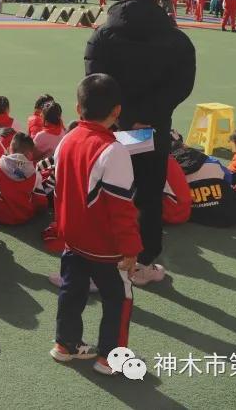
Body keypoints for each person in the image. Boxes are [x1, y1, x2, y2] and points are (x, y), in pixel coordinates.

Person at [84, 0, 196, 286]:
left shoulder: (104, 35)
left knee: (106, 193)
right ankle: (143, 264)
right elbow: (182, 86)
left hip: (112, 128)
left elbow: (94, 82)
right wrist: (147, 116)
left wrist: (125, 116)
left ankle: (100, 264)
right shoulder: (177, 38)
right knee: (147, 197)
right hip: (153, 129)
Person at [49, 74, 140, 376]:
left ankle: (65, 344)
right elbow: (121, 209)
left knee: (71, 292)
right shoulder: (114, 151)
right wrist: (131, 249)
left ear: (78, 108)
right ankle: (109, 358)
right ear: (117, 111)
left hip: (73, 238)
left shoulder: (66, 141)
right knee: (119, 299)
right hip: (105, 247)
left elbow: (58, 189)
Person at [0, 132, 41, 225]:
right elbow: (41, 202)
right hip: (24, 217)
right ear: (30, 154)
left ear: (9, 149)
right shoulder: (36, 174)